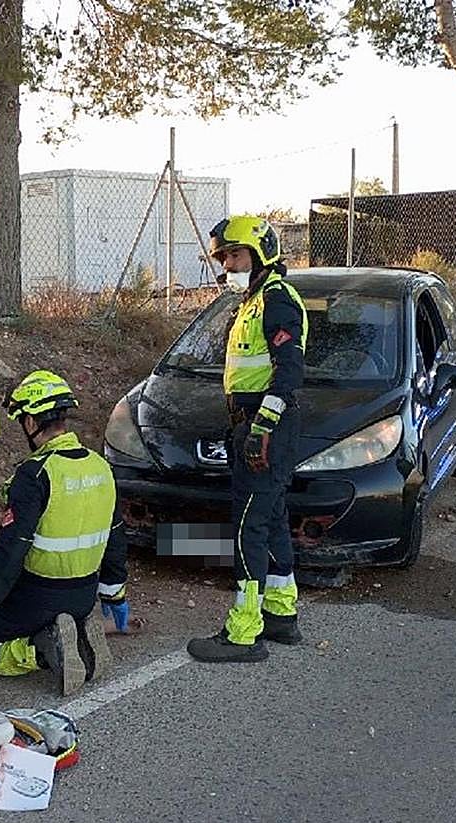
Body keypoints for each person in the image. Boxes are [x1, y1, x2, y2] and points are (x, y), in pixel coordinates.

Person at [0, 370, 128, 696]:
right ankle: (77, 634)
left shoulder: (35, 474)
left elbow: (10, 552)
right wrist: (115, 595)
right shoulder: (102, 467)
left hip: (38, 597)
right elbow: (115, 537)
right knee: (35, 613)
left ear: (30, 422)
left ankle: (40, 652)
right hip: (84, 597)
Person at [187, 215, 309, 664]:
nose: (227, 265)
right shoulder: (254, 300)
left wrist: (261, 427)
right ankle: (280, 613)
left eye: (234, 255)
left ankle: (243, 633)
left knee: (247, 527)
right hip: (252, 423)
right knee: (272, 518)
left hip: (266, 426)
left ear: (260, 254)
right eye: (222, 258)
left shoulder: (276, 299)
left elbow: (289, 371)